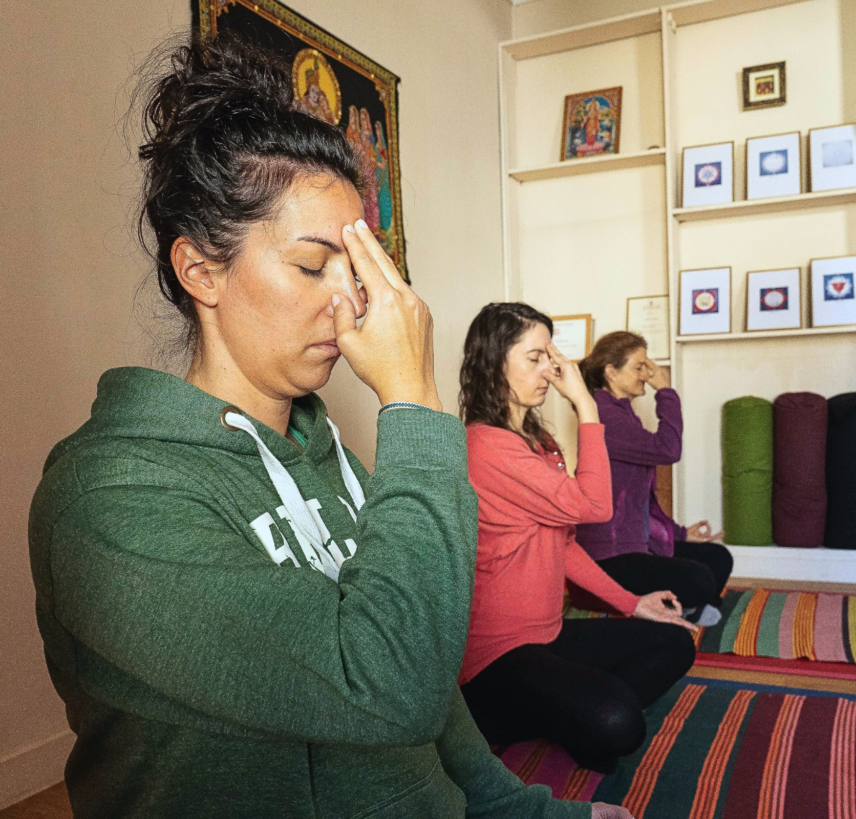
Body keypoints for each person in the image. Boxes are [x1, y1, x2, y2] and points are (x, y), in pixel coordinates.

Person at [28, 35, 628, 819]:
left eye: (357, 270)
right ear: (200, 270)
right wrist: (413, 402)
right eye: (314, 266)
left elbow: (432, 692)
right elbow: (388, 686)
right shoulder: (106, 496)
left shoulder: (329, 454)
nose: (347, 302)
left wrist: (535, 810)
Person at [457, 303, 697, 775]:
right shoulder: (486, 445)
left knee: (674, 644)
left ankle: (560, 712)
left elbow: (563, 544)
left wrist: (632, 604)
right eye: (534, 357)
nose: (550, 368)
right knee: (619, 725)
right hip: (498, 656)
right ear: (493, 363)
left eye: (551, 355)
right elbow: (594, 508)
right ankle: (510, 716)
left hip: (549, 632)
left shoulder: (536, 440)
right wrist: (586, 405)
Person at [575, 332, 733, 628]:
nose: (647, 375)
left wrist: (681, 534)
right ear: (611, 372)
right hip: (607, 558)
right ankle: (681, 608)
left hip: (635, 545)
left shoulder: (623, 414)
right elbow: (668, 449)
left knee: (718, 557)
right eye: (639, 366)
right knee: (699, 578)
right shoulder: (603, 415)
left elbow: (642, 502)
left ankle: (684, 608)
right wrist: (665, 391)